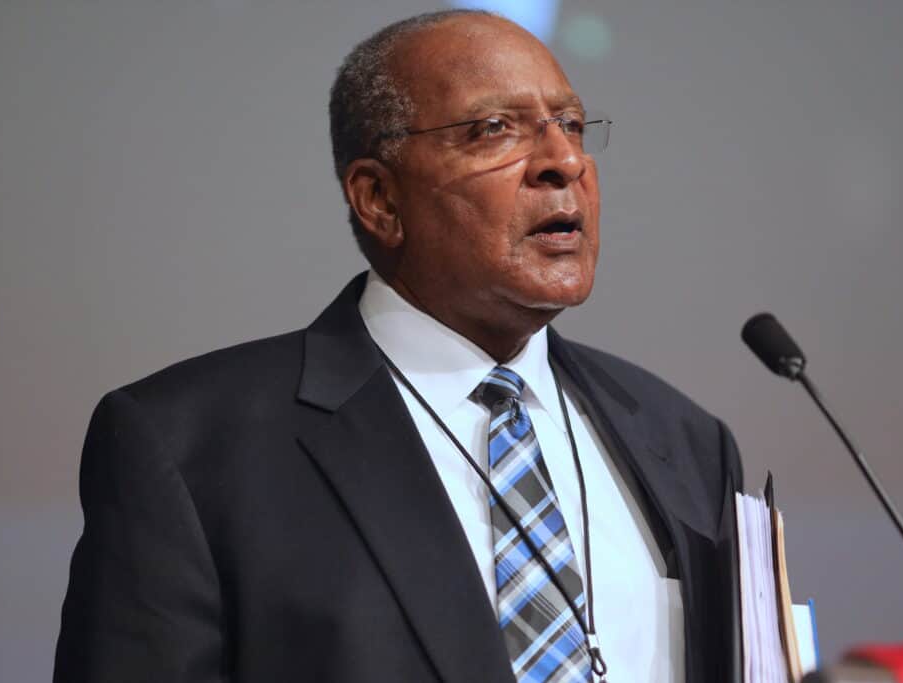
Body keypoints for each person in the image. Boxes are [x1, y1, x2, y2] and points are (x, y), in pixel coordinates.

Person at [54, 9, 744, 683]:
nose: (564, 162)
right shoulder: (188, 445)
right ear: (379, 198)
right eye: (494, 129)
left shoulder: (687, 444)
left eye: (570, 124)